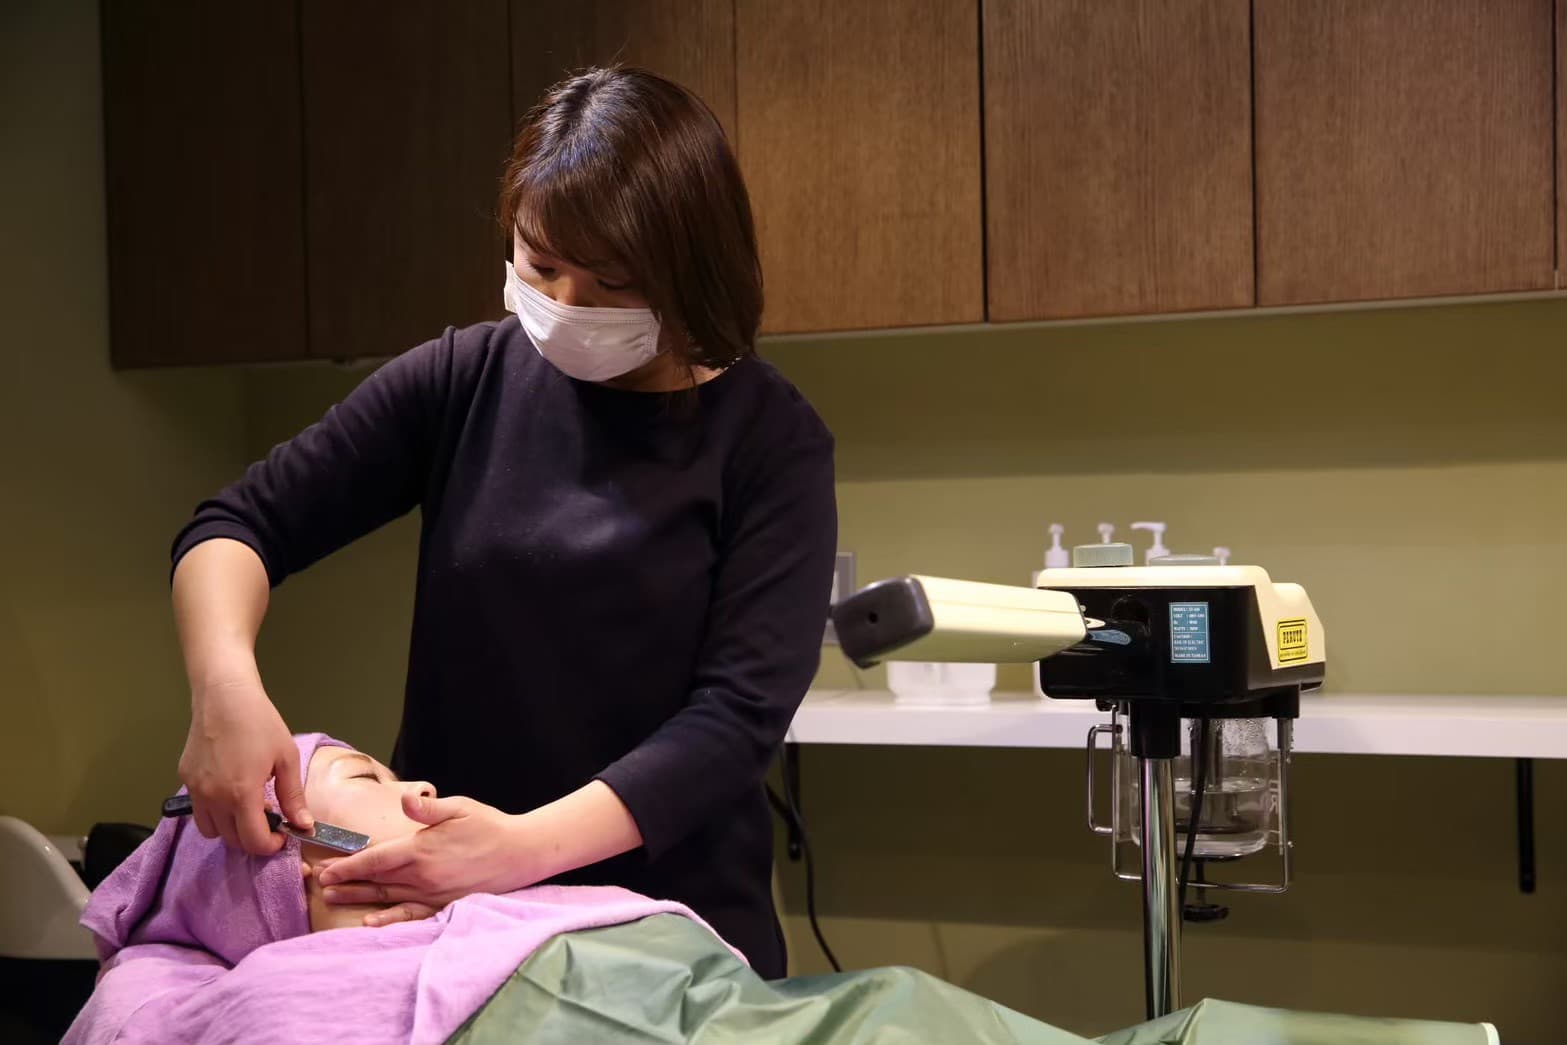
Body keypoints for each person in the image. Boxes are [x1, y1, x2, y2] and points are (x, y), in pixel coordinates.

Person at [168, 65, 837, 977]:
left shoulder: (769, 440)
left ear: (690, 274)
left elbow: (733, 722)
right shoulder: (463, 380)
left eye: (611, 281)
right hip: (441, 927)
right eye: (541, 263)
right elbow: (238, 525)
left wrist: (520, 849)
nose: (564, 306)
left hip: (669, 934)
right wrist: (223, 687)